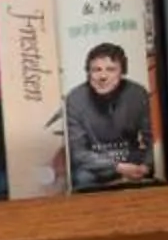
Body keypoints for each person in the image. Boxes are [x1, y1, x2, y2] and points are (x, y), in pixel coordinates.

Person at [62, 42, 157, 188]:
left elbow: (152, 138)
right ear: (88, 73)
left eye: (111, 69)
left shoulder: (137, 93)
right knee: (81, 178)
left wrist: (146, 166)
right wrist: (116, 167)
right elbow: (78, 152)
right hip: (95, 165)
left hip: (131, 159)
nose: (103, 76)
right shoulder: (74, 99)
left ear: (122, 72)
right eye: (96, 70)